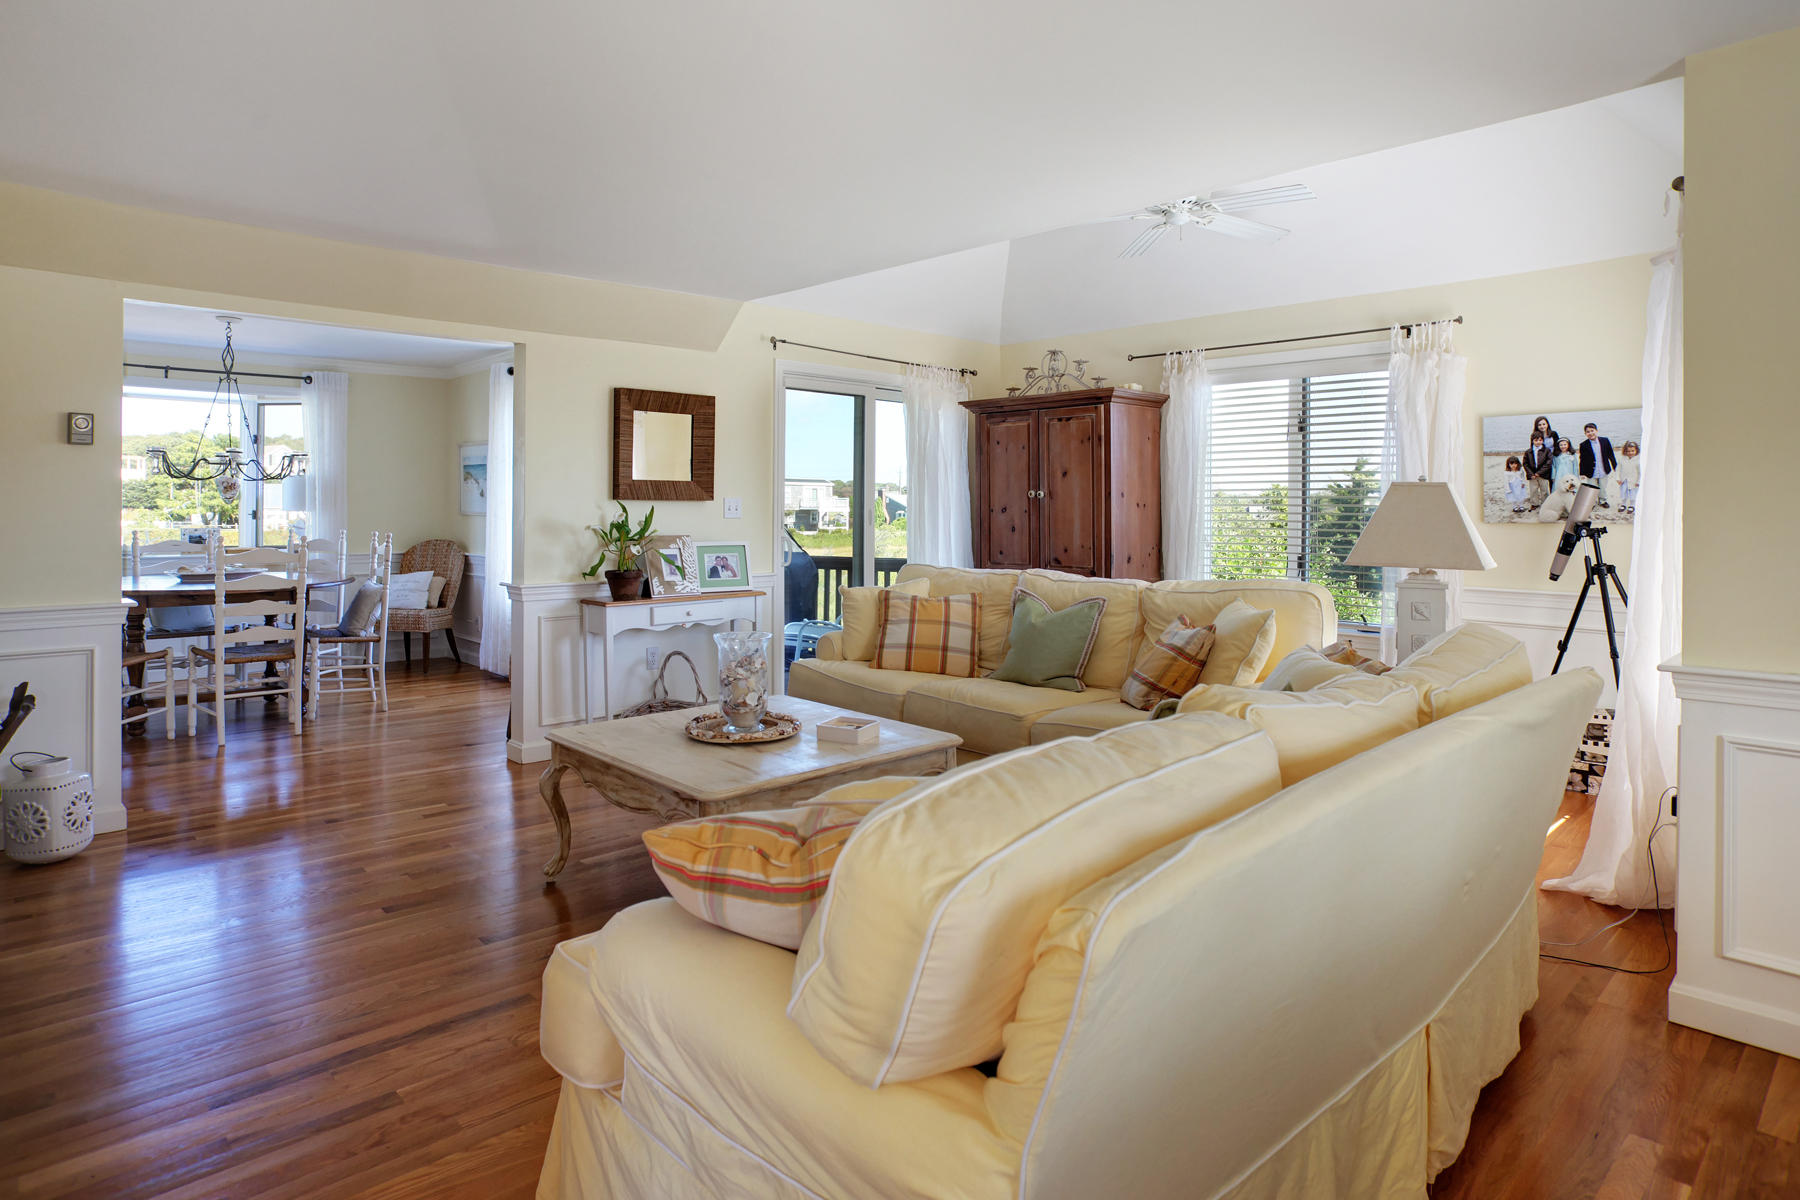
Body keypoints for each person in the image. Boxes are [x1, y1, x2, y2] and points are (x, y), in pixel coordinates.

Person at [1578, 421, 1618, 507]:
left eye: (1592, 430)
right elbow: (1582, 459)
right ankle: (1592, 502)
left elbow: (1611, 454)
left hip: (1603, 469)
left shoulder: (1605, 441)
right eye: (1588, 432)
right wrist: (1582, 473)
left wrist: (1615, 467)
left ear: (1596, 431)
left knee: (1603, 487)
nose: (1590, 433)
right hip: (1591, 470)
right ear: (1585, 433)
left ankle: (1603, 500)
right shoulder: (1583, 445)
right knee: (1592, 487)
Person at [1521, 431, 1555, 507]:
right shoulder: (1528, 452)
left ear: (1543, 440)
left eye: (1540, 440)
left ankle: (1545, 504)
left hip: (1543, 474)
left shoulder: (1547, 451)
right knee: (1533, 490)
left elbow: (1548, 463)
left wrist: (1539, 473)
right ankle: (1534, 503)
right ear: (1532, 441)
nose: (1538, 442)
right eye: (1536, 440)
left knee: (1544, 490)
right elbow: (1525, 464)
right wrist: (1531, 474)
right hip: (1532, 475)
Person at [1616, 439, 1642, 517]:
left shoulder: (1638, 460)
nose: (1630, 453)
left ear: (1636, 450)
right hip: (1624, 479)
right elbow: (1618, 469)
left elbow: (1640, 472)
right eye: (1628, 451)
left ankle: (1632, 505)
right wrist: (1618, 478)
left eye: (1632, 451)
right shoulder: (1622, 459)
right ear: (1625, 451)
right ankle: (1623, 504)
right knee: (1623, 492)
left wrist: (1638, 481)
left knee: (1633, 493)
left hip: (1634, 480)